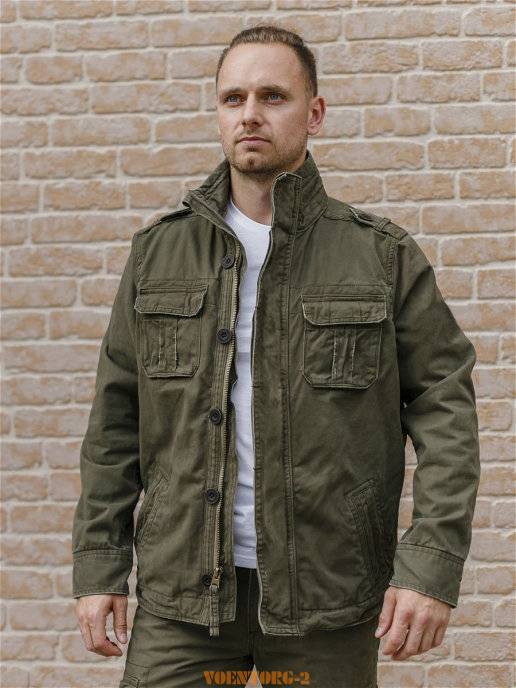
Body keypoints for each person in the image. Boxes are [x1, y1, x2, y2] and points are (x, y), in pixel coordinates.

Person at [72, 24, 481, 688]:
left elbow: (446, 414)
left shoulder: (380, 256)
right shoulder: (158, 254)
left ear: (314, 113)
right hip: (185, 600)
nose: (250, 114)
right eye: (233, 98)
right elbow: (115, 423)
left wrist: (429, 565)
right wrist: (100, 566)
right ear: (218, 113)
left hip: (327, 597)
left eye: (273, 96)